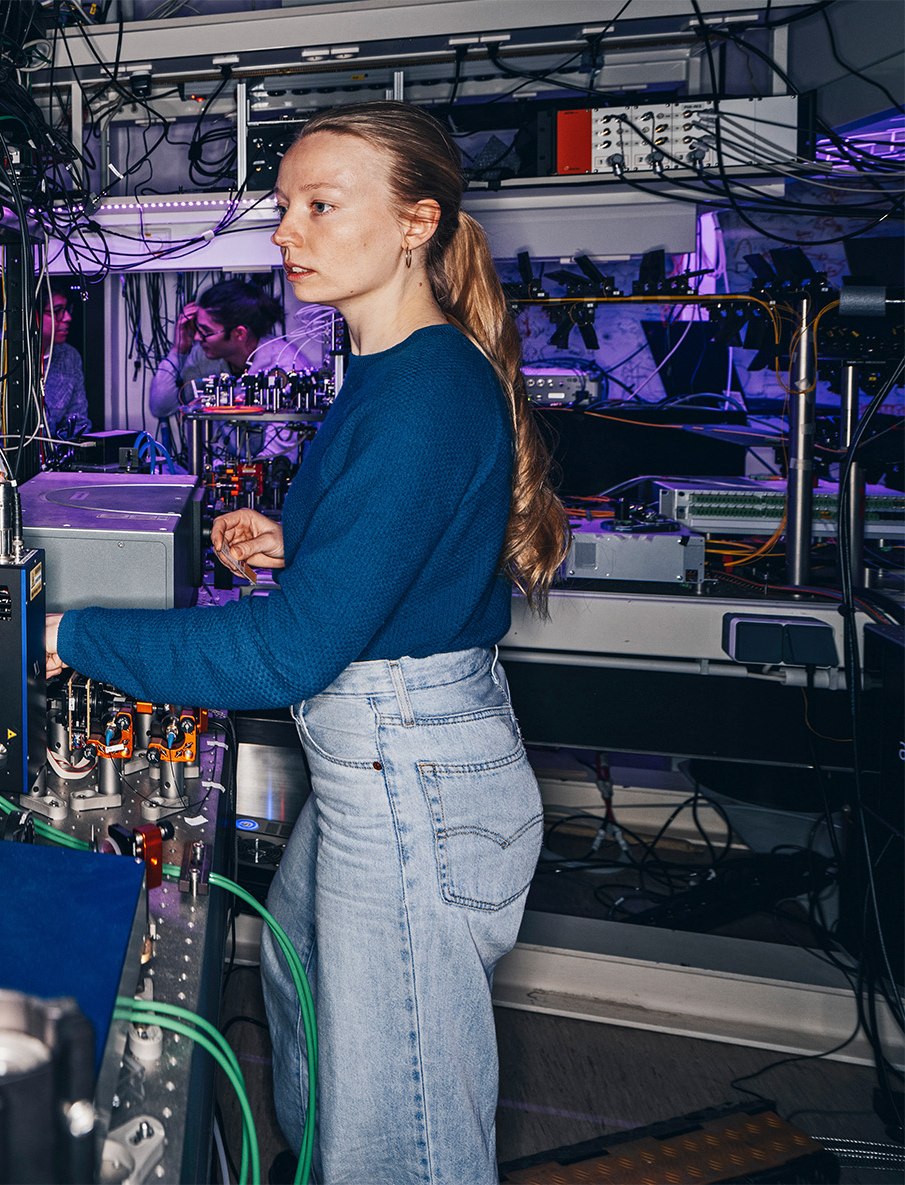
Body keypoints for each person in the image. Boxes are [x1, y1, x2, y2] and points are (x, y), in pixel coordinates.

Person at [46, 101, 569, 1183]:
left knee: (404, 1131)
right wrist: (297, 551)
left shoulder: (425, 387)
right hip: (379, 750)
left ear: (416, 222)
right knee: (301, 985)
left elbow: (285, 658)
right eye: (285, 206)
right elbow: (403, 568)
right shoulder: (384, 371)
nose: (286, 231)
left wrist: (72, 635)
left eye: (322, 206)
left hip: (409, 765)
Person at [146, 277, 314, 422]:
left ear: (239, 333)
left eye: (206, 332)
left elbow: (283, 451)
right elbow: (161, 406)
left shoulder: (285, 368)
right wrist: (178, 350)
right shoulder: (204, 356)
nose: (197, 338)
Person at [0, 288, 92, 445]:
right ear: (31, 316)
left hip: (47, 459)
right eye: (57, 311)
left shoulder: (70, 358)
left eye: (67, 310)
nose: (67, 318)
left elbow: (77, 421)